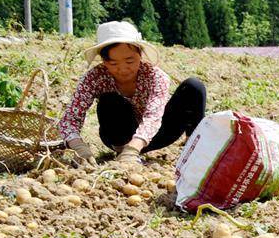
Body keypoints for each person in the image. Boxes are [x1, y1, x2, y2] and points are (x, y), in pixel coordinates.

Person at [58, 21, 206, 168]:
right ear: (103, 60)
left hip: (156, 134)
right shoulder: (94, 78)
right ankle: (122, 150)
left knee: (194, 86)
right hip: (118, 135)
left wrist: (134, 148)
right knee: (109, 100)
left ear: (140, 55)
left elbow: (153, 116)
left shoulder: (155, 77)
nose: (123, 69)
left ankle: (195, 146)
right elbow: (69, 119)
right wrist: (78, 146)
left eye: (129, 61)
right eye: (113, 63)